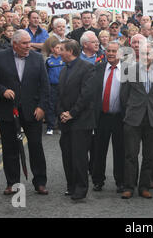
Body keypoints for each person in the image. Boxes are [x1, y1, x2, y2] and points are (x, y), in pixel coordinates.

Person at [0, 30, 50, 195]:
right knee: (10, 148)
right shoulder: (0, 56)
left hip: (32, 110)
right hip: (8, 110)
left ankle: (40, 182)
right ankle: (12, 183)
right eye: (24, 43)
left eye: (29, 42)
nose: (28, 46)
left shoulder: (37, 58)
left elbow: (45, 86)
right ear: (14, 44)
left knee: (36, 147)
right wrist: (2, 90)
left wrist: (42, 107)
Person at [120, 41, 153, 199]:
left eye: (149, 53)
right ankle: (129, 187)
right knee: (130, 155)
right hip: (133, 118)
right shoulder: (130, 70)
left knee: (149, 155)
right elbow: (123, 95)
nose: (146, 56)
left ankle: (144, 186)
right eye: (144, 53)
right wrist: (130, 110)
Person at [57, 39, 95, 200]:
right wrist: (61, 113)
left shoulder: (87, 68)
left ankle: (81, 187)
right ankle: (71, 185)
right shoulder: (64, 69)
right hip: (65, 120)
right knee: (67, 154)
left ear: (70, 51)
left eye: (61, 49)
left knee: (79, 156)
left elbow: (86, 95)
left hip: (81, 120)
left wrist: (72, 113)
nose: (59, 52)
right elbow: (59, 94)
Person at [91, 41, 125, 193]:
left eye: (114, 51)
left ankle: (121, 181)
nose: (111, 53)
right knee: (98, 150)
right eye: (108, 51)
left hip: (120, 117)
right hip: (101, 117)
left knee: (120, 151)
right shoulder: (97, 68)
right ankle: (98, 180)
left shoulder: (128, 70)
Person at [45, 40, 65, 135]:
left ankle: (61, 126)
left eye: (60, 48)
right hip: (52, 87)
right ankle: (50, 126)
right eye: (57, 48)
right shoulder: (48, 61)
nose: (59, 50)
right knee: (51, 106)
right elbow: (45, 74)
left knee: (61, 106)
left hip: (62, 86)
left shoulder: (63, 59)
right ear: (52, 49)